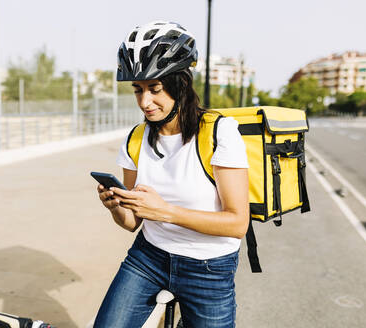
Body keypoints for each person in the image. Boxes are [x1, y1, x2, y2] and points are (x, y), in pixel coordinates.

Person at [93, 21, 249, 328]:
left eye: (155, 89)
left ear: (180, 84)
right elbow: (131, 223)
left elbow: (237, 223)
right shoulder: (136, 139)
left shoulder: (219, 132)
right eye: (138, 90)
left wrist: (165, 211)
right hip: (149, 257)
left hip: (209, 267)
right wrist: (117, 206)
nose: (144, 102)